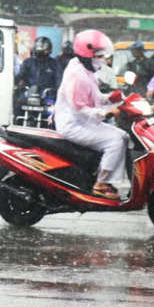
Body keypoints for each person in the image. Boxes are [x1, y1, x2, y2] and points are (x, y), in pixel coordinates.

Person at [54, 29, 128, 200]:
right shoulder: (77, 76)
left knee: (123, 136)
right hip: (73, 124)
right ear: (87, 55)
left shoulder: (85, 70)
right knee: (115, 141)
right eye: (98, 55)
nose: (102, 59)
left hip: (82, 121)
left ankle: (108, 180)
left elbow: (94, 98)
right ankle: (100, 184)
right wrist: (107, 113)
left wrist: (111, 99)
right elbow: (80, 109)